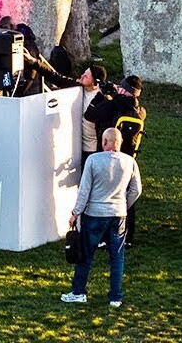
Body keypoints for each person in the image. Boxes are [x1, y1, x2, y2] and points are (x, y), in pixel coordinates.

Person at [61, 127, 142, 308]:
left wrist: (75, 213)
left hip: (94, 215)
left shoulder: (93, 160)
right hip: (119, 215)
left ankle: (79, 292)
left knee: (86, 255)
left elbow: (84, 191)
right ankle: (115, 297)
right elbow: (136, 189)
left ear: (104, 142)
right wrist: (124, 205)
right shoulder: (129, 162)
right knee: (117, 257)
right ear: (119, 143)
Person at [84, 74, 146, 245]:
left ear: (124, 90)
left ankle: (104, 237)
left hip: (108, 159)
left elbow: (90, 115)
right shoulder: (141, 111)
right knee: (127, 197)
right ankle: (127, 236)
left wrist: (100, 95)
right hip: (128, 160)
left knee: (106, 196)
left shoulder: (112, 106)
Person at [78, 65, 108, 170]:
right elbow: (58, 78)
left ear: (95, 80)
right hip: (78, 145)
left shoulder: (102, 99)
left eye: (86, 76)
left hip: (94, 149)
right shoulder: (79, 89)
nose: (82, 76)